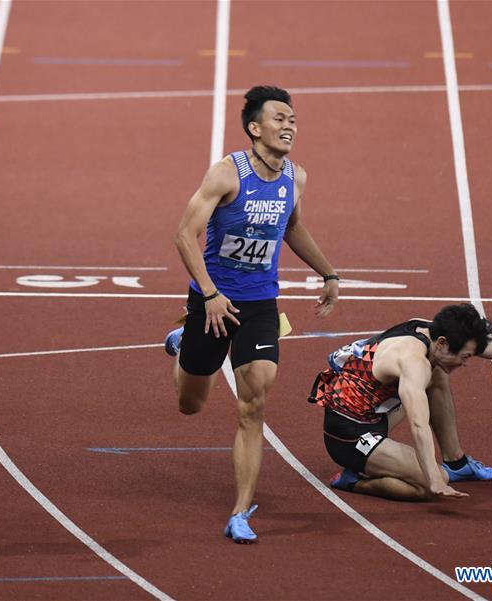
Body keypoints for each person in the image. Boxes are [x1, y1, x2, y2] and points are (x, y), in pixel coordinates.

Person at [164, 86, 339, 543]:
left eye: (293, 120)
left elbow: (292, 228)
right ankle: (184, 346)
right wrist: (209, 294)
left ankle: (240, 512)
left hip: (260, 303)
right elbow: (184, 234)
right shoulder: (227, 174)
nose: (289, 126)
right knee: (190, 404)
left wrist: (328, 272)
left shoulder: (295, 178)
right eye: (279, 119)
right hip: (212, 301)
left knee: (254, 402)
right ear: (255, 128)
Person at [309, 303, 492, 501]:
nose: (465, 364)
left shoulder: (432, 333)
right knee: (429, 484)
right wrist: (433, 480)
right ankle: (355, 481)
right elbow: (418, 425)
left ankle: (456, 462)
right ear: (442, 343)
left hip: (375, 411)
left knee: (438, 373)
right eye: (464, 357)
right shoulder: (413, 361)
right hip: (349, 434)